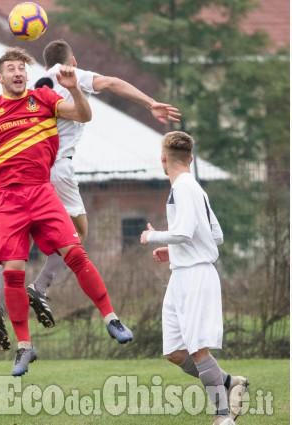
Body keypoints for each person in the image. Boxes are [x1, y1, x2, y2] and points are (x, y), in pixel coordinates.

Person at [0, 39, 181, 351]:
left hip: (31, 172)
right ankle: (40, 286)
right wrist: (150, 103)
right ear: (71, 61)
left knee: (14, 247)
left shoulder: (35, 86)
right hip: (58, 169)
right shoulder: (69, 74)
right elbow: (113, 82)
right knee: (78, 234)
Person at [0, 47, 115, 376]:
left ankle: (110, 318)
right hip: (7, 200)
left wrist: (75, 86)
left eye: (22, 68)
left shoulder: (43, 99)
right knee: (13, 272)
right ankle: (24, 347)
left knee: (75, 250)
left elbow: (83, 115)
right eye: (11, 69)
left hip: (42, 191)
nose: (18, 73)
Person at [140, 131, 248, 425]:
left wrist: (152, 236)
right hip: (182, 275)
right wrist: (173, 252)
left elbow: (186, 233)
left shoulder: (185, 188)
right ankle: (229, 382)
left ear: (163, 157)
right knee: (175, 351)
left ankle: (224, 416)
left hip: (196, 278)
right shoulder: (191, 187)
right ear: (191, 157)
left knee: (199, 350)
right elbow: (215, 236)